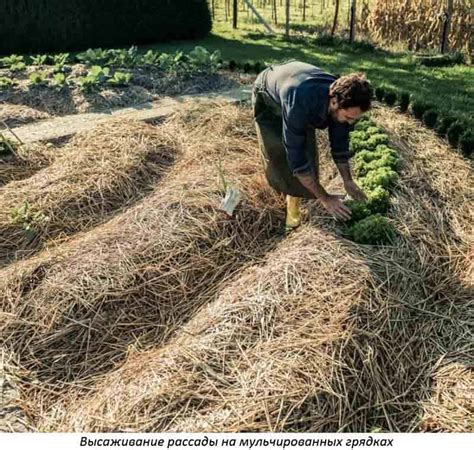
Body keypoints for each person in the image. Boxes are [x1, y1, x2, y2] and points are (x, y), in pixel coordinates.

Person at [252, 60, 373, 228]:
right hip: (268, 96)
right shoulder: (299, 102)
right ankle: (287, 199)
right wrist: (326, 199)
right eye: (349, 117)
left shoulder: (342, 97)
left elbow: (340, 143)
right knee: (279, 151)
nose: (350, 122)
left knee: (308, 154)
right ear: (334, 102)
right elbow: (296, 157)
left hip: (297, 87)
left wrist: (348, 180)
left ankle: (297, 193)